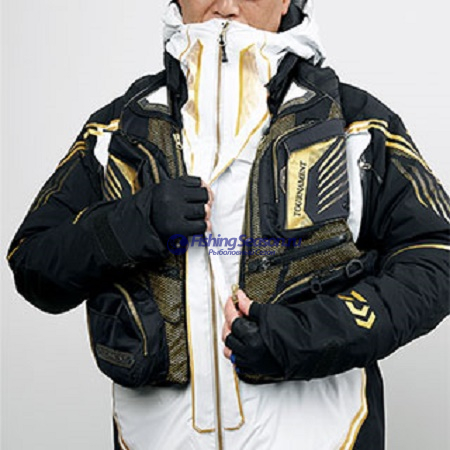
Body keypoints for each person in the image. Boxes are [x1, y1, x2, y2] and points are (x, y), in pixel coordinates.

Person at [6, 0, 449, 449]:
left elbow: (437, 258)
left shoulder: (355, 123)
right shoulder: (115, 134)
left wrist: (307, 334)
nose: (226, 4)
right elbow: (33, 265)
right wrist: (136, 222)